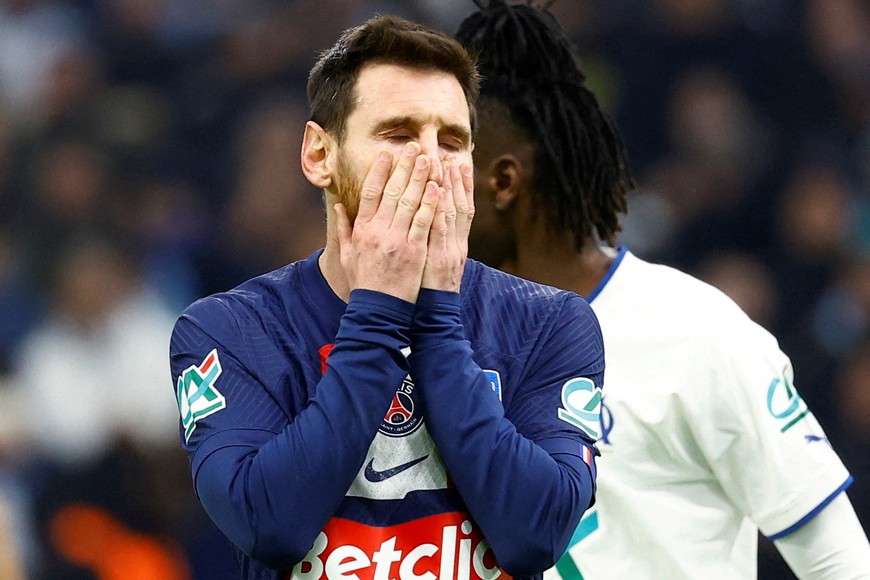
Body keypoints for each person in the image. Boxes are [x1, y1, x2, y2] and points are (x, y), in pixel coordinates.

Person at [169, 13, 605, 580]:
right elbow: (267, 525)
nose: (429, 163)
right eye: (398, 134)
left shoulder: (551, 324)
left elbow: (537, 536)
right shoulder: (229, 330)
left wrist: (438, 322)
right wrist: (378, 313)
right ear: (319, 156)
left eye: (452, 141)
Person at [455, 2, 870, 579]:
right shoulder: (423, 355)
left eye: (446, 164)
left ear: (503, 181)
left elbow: (839, 561)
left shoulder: (693, 332)